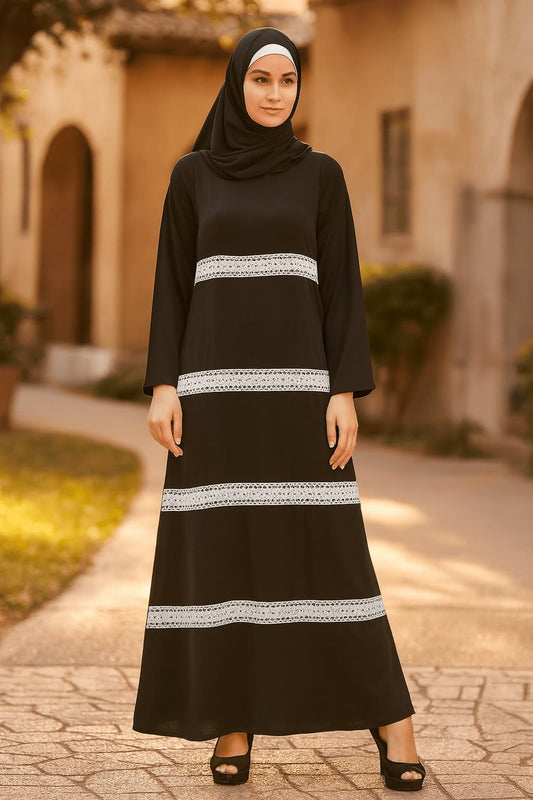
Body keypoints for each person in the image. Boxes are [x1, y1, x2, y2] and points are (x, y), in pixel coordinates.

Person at [132, 26, 426, 793]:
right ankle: (233, 723)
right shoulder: (192, 176)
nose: (272, 93)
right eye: (259, 79)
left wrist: (342, 392)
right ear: (236, 84)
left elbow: (341, 291)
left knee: (331, 551)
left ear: (298, 91)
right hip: (215, 400)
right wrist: (165, 383)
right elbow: (170, 284)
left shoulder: (319, 176)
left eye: (286, 81)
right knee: (227, 554)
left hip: (298, 397)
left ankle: (394, 723)